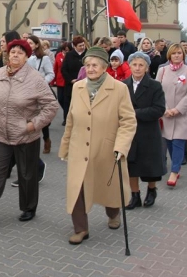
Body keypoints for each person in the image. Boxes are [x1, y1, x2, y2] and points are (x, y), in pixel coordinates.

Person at [0, 39, 58, 226]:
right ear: (8, 55)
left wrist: (33, 125)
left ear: (27, 57)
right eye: (12, 52)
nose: (15, 55)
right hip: (0, 133)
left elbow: (51, 106)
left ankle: (29, 207)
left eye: (20, 53)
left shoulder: (35, 78)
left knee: (27, 173)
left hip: (25, 135)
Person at [58, 46, 136, 244]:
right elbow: (71, 118)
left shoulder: (119, 89)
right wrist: (65, 145)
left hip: (106, 148)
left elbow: (128, 121)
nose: (90, 69)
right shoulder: (78, 87)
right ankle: (81, 229)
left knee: (108, 186)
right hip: (79, 147)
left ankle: (113, 213)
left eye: (94, 65)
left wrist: (121, 146)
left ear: (104, 67)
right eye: (87, 65)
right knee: (77, 188)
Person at [123, 52, 166, 210]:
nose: (137, 68)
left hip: (148, 131)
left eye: (141, 65)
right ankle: (135, 195)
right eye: (134, 65)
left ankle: (151, 190)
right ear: (129, 66)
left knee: (150, 164)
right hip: (129, 130)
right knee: (131, 164)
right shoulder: (123, 85)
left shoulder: (155, 86)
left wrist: (134, 113)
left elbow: (159, 109)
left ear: (147, 68)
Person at [155, 43, 187, 188]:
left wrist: (177, 109)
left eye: (179, 53)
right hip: (166, 114)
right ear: (169, 55)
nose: (177, 55)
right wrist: (165, 109)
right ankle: (176, 164)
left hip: (183, 114)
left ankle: (174, 171)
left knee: (178, 142)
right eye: (174, 53)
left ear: (183, 55)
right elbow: (157, 91)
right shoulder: (162, 71)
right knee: (169, 141)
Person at [27, 35, 55, 153]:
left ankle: (46, 139)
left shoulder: (44, 58)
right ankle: (31, 143)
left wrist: (42, 83)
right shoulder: (24, 57)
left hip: (41, 91)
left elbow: (50, 74)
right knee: (30, 117)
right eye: (27, 43)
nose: (28, 45)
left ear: (37, 45)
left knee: (43, 119)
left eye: (31, 43)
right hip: (28, 91)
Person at [61, 36, 87, 125]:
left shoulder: (87, 54)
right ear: (75, 46)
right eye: (80, 46)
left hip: (85, 84)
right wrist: (70, 80)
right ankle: (67, 119)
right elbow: (64, 69)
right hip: (71, 84)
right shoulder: (69, 55)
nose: (82, 47)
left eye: (83, 45)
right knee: (68, 102)